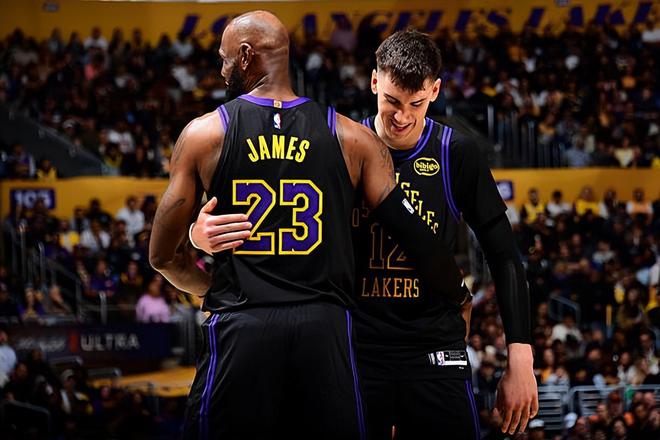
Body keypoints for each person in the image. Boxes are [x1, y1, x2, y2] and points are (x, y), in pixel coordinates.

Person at [192, 29, 537, 438]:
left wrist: (521, 355)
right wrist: (200, 233)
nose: (402, 116)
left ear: (435, 91)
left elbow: (503, 254)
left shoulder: (455, 153)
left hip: (433, 344)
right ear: (374, 82)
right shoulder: (340, 145)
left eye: (416, 103)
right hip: (353, 346)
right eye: (392, 100)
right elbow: (279, 223)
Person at [149, 12, 469, 440]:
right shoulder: (353, 138)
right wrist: (457, 294)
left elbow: (161, 257)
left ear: (245, 56)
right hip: (325, 330)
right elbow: (415, 237)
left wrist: (214, 285)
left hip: (242, 325)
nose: (222, 69)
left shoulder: (203, 135)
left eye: (224, 59)